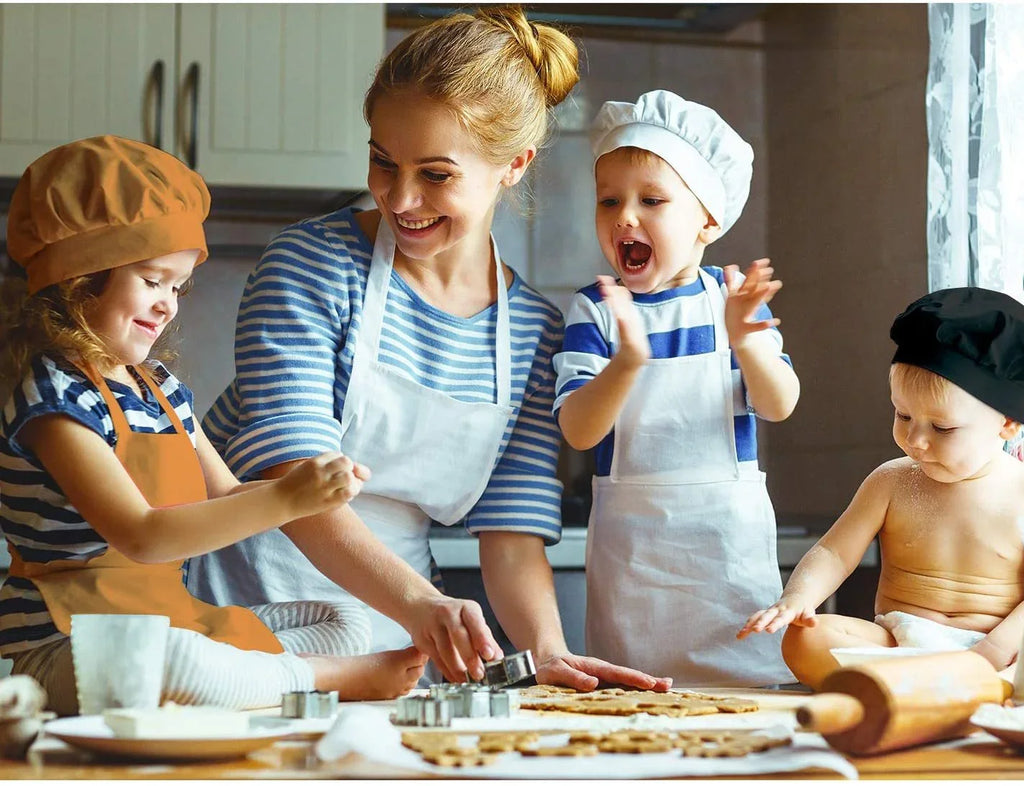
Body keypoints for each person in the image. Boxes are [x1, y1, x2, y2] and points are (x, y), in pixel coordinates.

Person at [185, 6, 668, 692]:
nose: (400, 197)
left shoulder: (532, 328)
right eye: (383, 162)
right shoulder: (311, 264)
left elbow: (511, 532)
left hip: (398, 649)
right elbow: (288, 476)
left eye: (436, 175)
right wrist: (419, 604)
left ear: (513, 165)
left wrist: (547, 649)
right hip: (242, 621)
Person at [0, 135, 427, 715]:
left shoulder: (161, 392)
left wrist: (307, 493)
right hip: (69, 643)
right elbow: (142, 535)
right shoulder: (53, 396)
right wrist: (283, 498)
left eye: (177, 287)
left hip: (170, 616)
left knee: (342, 618)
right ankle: (316, 679)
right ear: (79, 277)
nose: (168, 304)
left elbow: (226, 495)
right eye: (151, 281)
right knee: (170, 664)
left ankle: (274, 675)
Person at [552, 90, 801, 687]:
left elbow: (779, 404)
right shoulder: (597, 309)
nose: (624, 217)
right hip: (633, 567)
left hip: (727, 562)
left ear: (708, 220)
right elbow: (579, 429)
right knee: (634, 708)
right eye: (608, 200)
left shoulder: (732, 301)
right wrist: (627, 362)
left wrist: (746, 339)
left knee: (743, 713)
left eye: (652, 200)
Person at [738, 287, 1024, 689]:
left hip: (998, 647)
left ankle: (935, 687)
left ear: (1008, 424)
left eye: (942, 428)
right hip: (898, 644)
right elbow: (834, 552)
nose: (916, 440)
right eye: (903, 415)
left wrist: (995, 651)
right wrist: (799, 598)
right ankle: (937, 688)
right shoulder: (891, 481)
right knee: (806, 639)